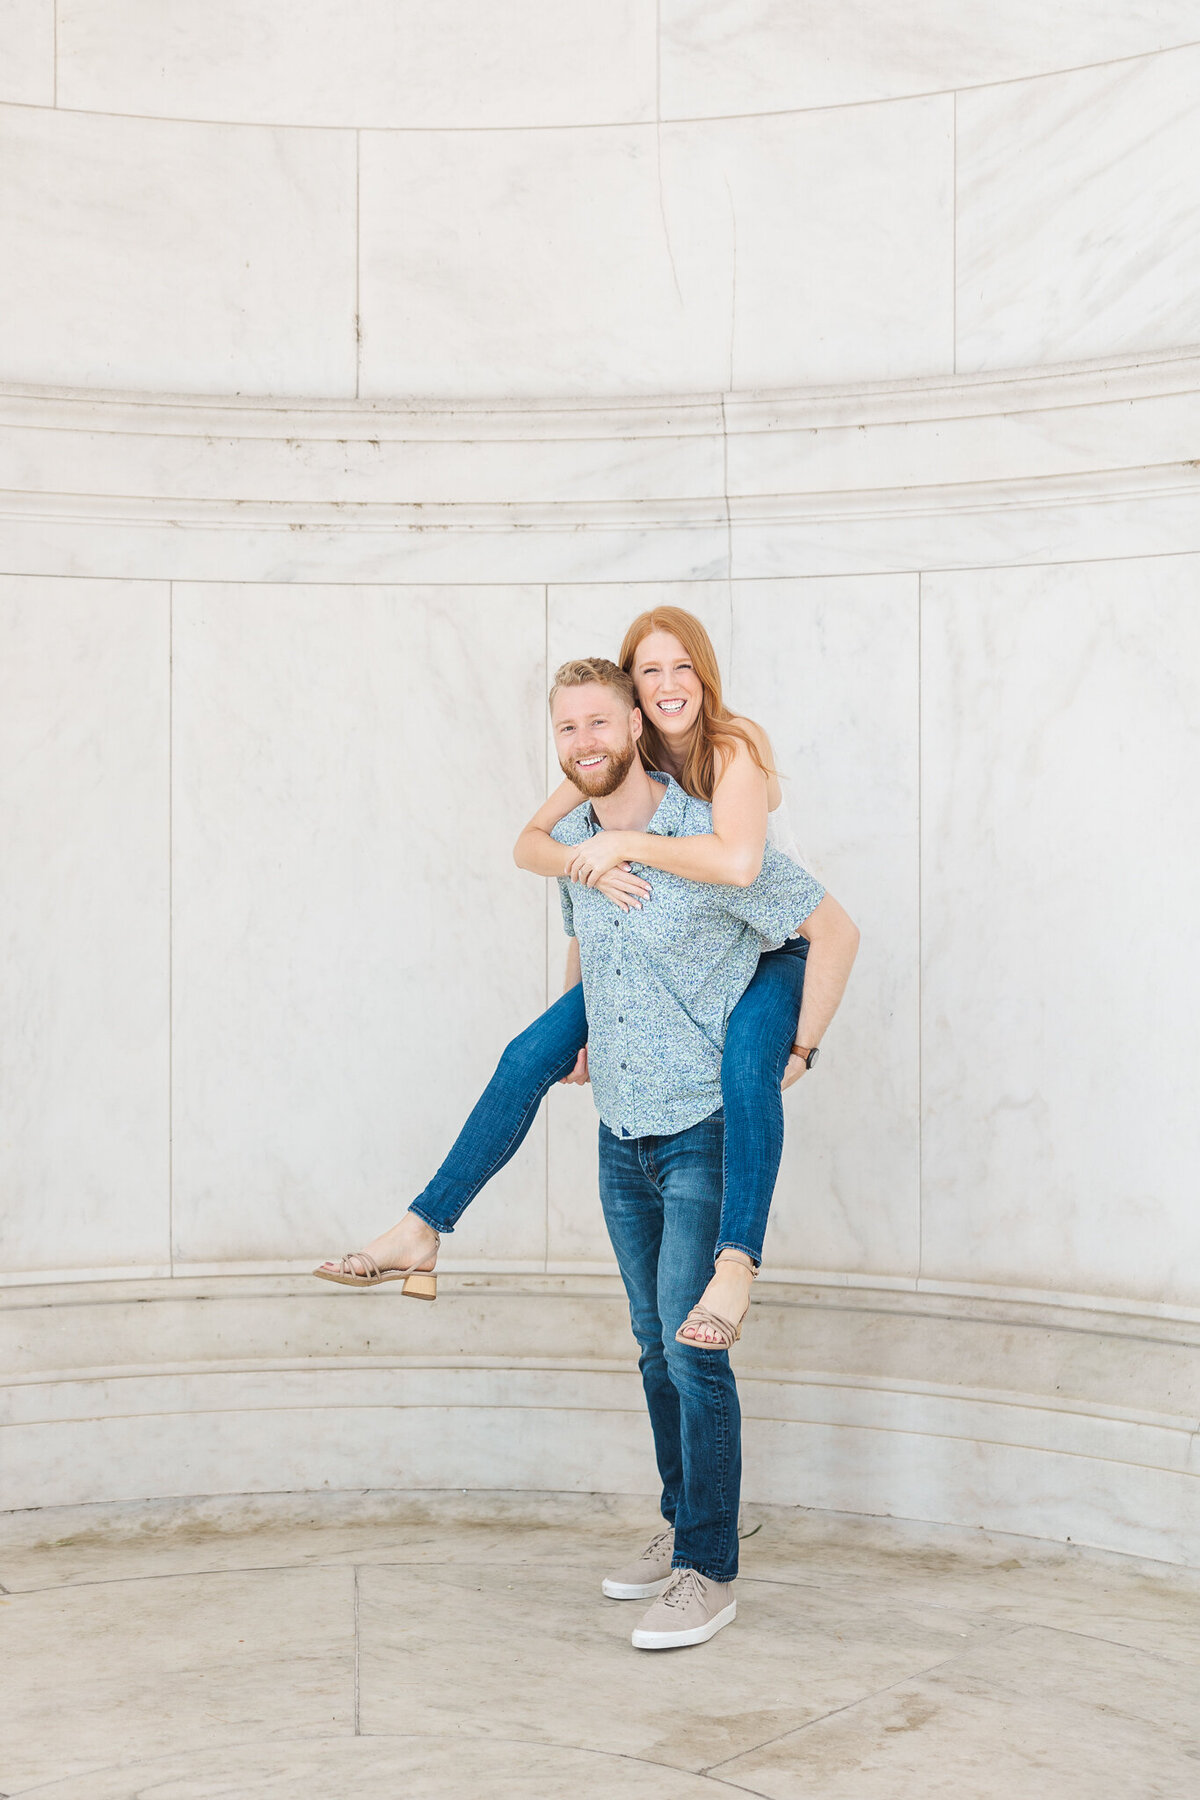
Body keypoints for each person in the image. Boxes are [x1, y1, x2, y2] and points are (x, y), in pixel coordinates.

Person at [315, 608, 860, 1349]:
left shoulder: (732, 748)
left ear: (697, 678)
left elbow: (739, 863)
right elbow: (531, 843)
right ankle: (423, 1226)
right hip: (680, 940)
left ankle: (737, 1264)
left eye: (681, 669)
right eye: (649, 671)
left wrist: (801, 1049)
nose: (668, 686)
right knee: (525, 1055)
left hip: (775, 945)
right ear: (634, 695)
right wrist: (593, 870)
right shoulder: (607, 757)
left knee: (746, 1073)